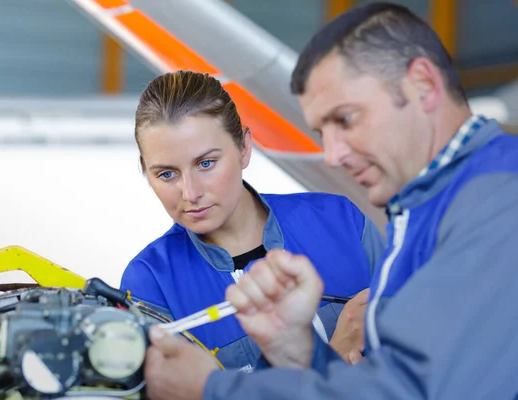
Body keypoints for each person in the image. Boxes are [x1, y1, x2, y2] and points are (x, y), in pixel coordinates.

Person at [141, 3, 518, 400]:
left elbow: (409, 393)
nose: (333, 154)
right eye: (324, 130)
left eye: (346, 119)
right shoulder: (433, 210)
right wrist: (300, 351)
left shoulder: (498, 200)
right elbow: (394, 379)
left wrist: (213, 389)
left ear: (423, 85)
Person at [119, 70, 385, 370]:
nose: (190, 193)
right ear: (145, 171)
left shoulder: (342, 223)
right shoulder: (150, 283)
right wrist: (330, 360)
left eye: (206, 163)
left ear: (244, 148)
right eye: (166, 174)